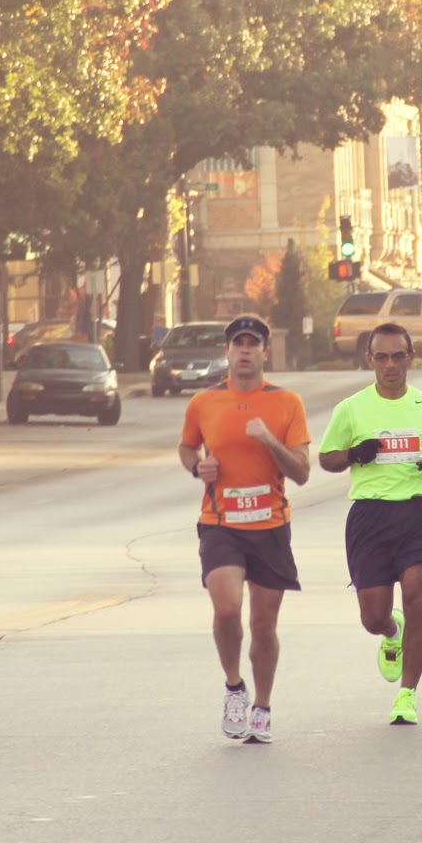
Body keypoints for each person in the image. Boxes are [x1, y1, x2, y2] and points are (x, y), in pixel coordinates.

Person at [318, 322, 422, 727]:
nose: (390, 365)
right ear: (370, 360)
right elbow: (327, 458)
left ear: (410, 358)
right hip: (370, 518)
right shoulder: (351, 408)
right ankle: (390, 631)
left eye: (398, 356)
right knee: (372, 616)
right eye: (381, 357)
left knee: (418, 595)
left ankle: (407, 694)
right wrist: (354, 454)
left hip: (417, 515)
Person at [177, 315, 311, 744]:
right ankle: (235, 687)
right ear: (228, 351)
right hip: (221, 525)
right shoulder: (204, 402)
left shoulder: (287, 402)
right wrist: (198, 466)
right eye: (239, 344)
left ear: (265, 352)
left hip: (270, 525)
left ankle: (263, 707)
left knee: (264, 625)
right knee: (227, 609)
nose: (246, 351)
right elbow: (186, 446)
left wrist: (269, 440)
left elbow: (303, 472)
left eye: (254, 344)